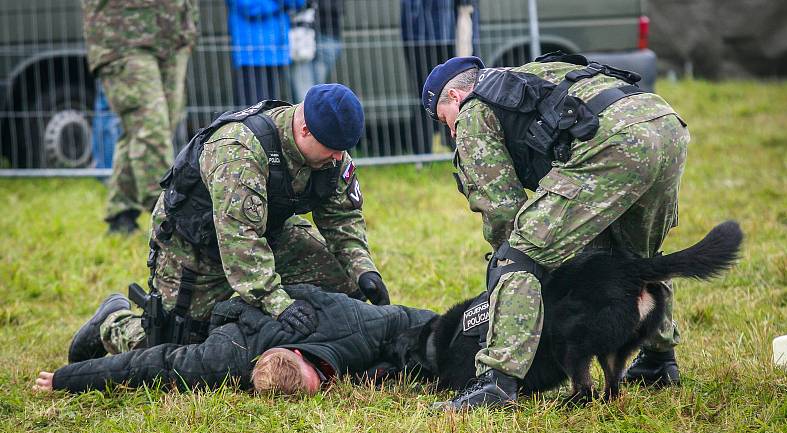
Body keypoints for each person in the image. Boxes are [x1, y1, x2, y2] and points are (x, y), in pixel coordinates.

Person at [421, 55, 689, 410]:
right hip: (665, 125)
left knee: (518, 256)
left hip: (615, 143)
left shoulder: (473, 109)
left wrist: (520, 266)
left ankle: (497, 382)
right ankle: (658, 361)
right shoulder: (527, 73)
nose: (452, 132)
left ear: (455, 98)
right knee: (635, 257)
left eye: (445, 121)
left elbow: (502, 209)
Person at [67, 83, 390, 363]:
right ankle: (114, 321)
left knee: (344, 291)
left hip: (269, 231)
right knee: (176, 345)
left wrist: (363, 270)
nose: (338, 158)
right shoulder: (239, 151)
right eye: (332, 150)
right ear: (304, 129)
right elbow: (239, 238)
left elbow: (342, 216)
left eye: (342, 151)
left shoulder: (331, 151)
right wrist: (278, 303)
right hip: (196, 246)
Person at [35, 285, 434, 394]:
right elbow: (148, 367)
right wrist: (64, 379)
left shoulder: (355, 323)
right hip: (222, 296)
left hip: (281, 273)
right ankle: (115, 319)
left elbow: (420, 321)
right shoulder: (227, 357)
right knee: (153, 343)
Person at [81, 0, 199, 234]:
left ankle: (121, 214)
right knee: (150, 128)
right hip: (122, 37)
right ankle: (172, 220)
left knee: (150, 128)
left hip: (174, 34)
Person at [400, 0, 478, 154]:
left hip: (447, 31)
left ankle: (456, 147)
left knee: (454, 94)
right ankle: (423, 154)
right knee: (424, 95)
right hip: (420, 33)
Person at [227, 0, 306, 105]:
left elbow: (298, 3)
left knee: (272, 107)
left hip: (278, 52)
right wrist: (280, 4)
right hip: (251, 54)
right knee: (253, 108)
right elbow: (249, 7)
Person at [291, 0, 345, 102]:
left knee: (307, 92)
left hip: (312, 32)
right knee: (312, 91)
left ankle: (307, 114)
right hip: (315, 32)